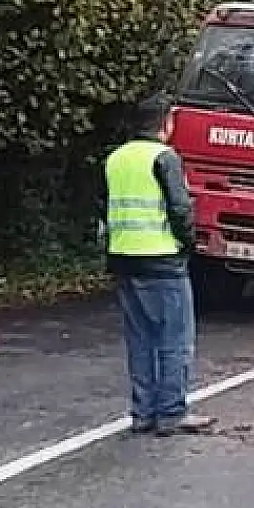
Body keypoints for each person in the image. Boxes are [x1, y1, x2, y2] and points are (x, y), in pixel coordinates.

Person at [98, 96, 214, 437]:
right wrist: (188, 244)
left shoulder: (115, 158)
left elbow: (104, 208)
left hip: (123, 256)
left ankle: (143, 412)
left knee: (140, 339)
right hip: (162, 258)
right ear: (166, 123)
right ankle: (171, 412)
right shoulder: (165, 158)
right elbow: (179, 208)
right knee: (175, 338)